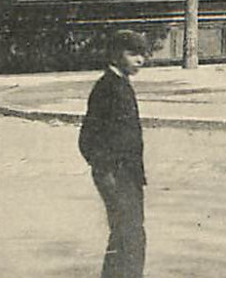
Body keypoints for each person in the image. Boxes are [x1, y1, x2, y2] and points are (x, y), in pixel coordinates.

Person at [78, 29, 149, 277]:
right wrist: (104, 169)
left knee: (129, 232)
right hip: (114, 174)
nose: (139, 60)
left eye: (142, 54)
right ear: (115, 55)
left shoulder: (121, 84)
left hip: (128, 173)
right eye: (133, 54)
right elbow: (88, 136)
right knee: (127, 232)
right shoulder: (106, 88)